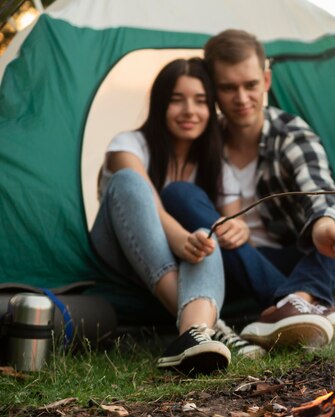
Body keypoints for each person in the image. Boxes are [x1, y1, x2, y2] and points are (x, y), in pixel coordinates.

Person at [161, 30, 335, 350]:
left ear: (265, 80)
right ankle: (305, 302)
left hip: (292, 258)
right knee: (178, 193)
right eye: (227, 87)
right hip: (227, 263)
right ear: (212, 90)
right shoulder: (200, 140)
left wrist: (323, 227)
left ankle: (297, 299)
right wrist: (223, 222)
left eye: (250, 85)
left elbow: (316, 184)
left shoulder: (288, 132)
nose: (241, 98)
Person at [90, 57, 264, 376]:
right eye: (176, 100)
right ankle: (214, 327)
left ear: (211, 108)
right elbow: (147, 201)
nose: (189, 111)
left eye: (200, 101)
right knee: (129, 182)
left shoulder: (216, 165)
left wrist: (237, 228)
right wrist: (179, 238)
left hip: (178, 262)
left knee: (207, 235)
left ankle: (192, 336)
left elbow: (232, 223)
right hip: (120, 256)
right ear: (159, 105)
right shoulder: (127, 145)